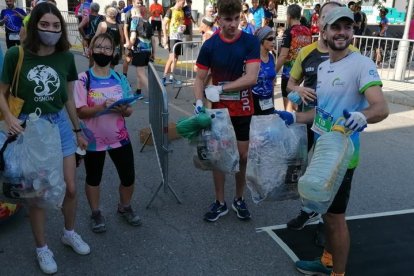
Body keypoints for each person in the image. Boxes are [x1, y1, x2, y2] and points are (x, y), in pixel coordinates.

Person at [276, 7, 389, 275]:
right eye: (336, 27)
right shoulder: (325, 67)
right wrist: (295, 119)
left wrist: (363, 116)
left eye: (347, 27)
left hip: (342, 156)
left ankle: (337, 272)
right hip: (323, 151)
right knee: (325, 212)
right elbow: (322, 113)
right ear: (323, 31)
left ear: (353, 31)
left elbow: (381, 108)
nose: (342, 32)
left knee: (335, 219)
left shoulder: (362, 64)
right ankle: (326, 259)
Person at [0, 3, 91, 274]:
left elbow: (68, 98)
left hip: (59, 125)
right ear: (34, 25)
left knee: (71, 188)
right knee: (37, 193)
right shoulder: (16, 55)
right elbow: (1, 91)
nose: (50, 30)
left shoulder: (65, 57)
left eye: (55, 25)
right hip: (29, 127)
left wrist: (77, 130)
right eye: (45, 24)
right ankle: (42, 248)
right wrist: (8, 117)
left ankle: (69, 232)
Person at [285, 1, 359, 247]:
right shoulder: (308, 53)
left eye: (343, 23)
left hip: (336, 132)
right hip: (311, 120)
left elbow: (375, 104)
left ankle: (324, 232)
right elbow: (290, 85)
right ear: (321, 23)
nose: (336, 27)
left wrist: (363, 115)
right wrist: (298, 91)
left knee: (330, 181)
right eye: (329, 19)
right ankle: (309, 211)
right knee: (307, 170)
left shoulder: (355, 56)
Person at [193, 0, 260, 222]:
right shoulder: (210, 45)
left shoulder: (250, 41)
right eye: (227, 19)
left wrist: (221, 88)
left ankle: (238, 198)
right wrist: (198, 102)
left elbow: (251, 77)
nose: (232, 24)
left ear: (240, 17)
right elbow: (200, 78)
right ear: (219, 19)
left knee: (243, 156)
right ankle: (220, 202)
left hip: (243, 109)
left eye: (236, 18)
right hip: (219, 112)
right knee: (219, 157)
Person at [74, 33, 141, 234]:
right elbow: (80, 111)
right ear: (91, 50)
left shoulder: (119, 77)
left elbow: (129, 110)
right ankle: (95, 213)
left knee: (128, 176)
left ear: (114, 53)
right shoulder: (83, 79)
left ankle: (125, 206)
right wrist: (102, 106)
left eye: (108, 48)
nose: (103, 51)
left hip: (119, 138)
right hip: (93, 140)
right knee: (94, 178)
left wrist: (123, 109)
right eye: (99, 47)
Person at [276, 4, 312, 112]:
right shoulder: (307, 31)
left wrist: (274, 72)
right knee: (297, 102)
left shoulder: (289, 32)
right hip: (303, 72)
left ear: (289, 16)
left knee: (288, 104)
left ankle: (289, 125)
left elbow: (283, 55)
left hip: (289, 72)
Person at [125, 0, 155, 100]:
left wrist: (128, 46)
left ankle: (153, 95)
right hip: (147, 50)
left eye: (132, 12)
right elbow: (153, 40)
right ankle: (138, 91)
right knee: (140, 72)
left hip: (139, 50)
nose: (131, 15)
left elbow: (133, 37)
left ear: (134, 12)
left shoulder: (135, 20)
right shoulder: (147, 22)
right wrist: (153, 53)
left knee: (141, 74)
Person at [251, 26, 276, 115]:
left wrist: (273, 103)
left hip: (268, 102)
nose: (273, 42)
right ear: (261, 40)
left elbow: (272, 83)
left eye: (274, 38)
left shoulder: (272, 57)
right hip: (254, 101)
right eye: (270, 39)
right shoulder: (253, 58)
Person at [161, 0, 185, 86]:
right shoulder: (170, 10)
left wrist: (183, 28)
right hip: (172, 37)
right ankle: (163, 77)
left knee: (176, 58)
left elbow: (181, 22)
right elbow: (164, 23)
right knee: (171, 58)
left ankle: (171, 77)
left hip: (179, 37)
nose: (184, 3)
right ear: (178, 1)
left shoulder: (182, 11)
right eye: (183, 1)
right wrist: (165, 36)